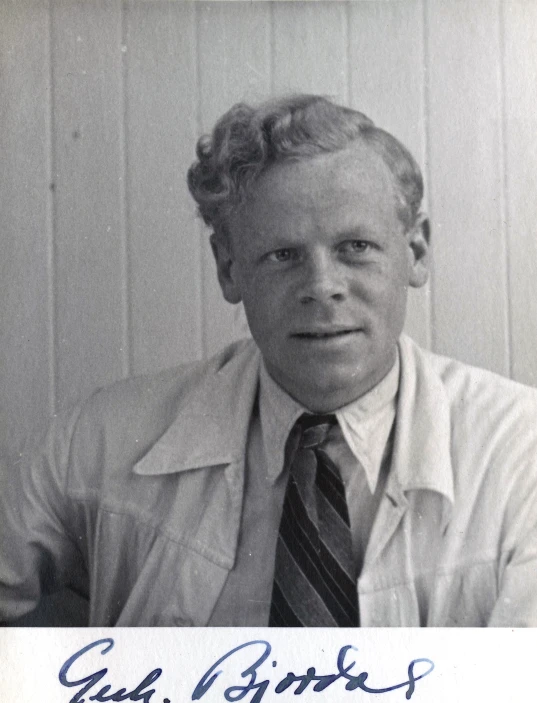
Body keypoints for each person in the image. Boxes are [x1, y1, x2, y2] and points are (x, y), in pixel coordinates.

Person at [1, 94, 537, 627]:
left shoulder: (521, 449)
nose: (322, 287)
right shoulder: (96, 440)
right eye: (283, 255)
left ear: (416, 252)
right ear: (229, 268)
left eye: (355, 246)